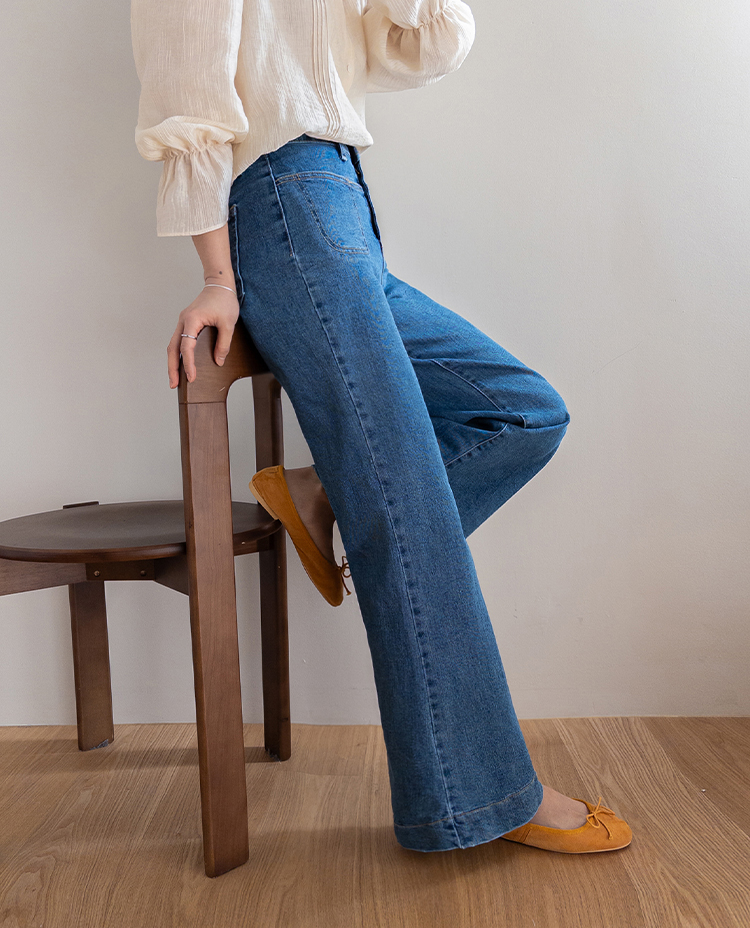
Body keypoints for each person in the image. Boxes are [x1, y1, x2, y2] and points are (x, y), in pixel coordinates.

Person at [131, 0, 631, 854]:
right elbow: (186, 88)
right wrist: (217, 277)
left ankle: (327, 495)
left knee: (521, 411)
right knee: (405, 516)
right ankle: (482, 796)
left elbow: (423, 47)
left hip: (344, 207)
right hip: (282, 206)